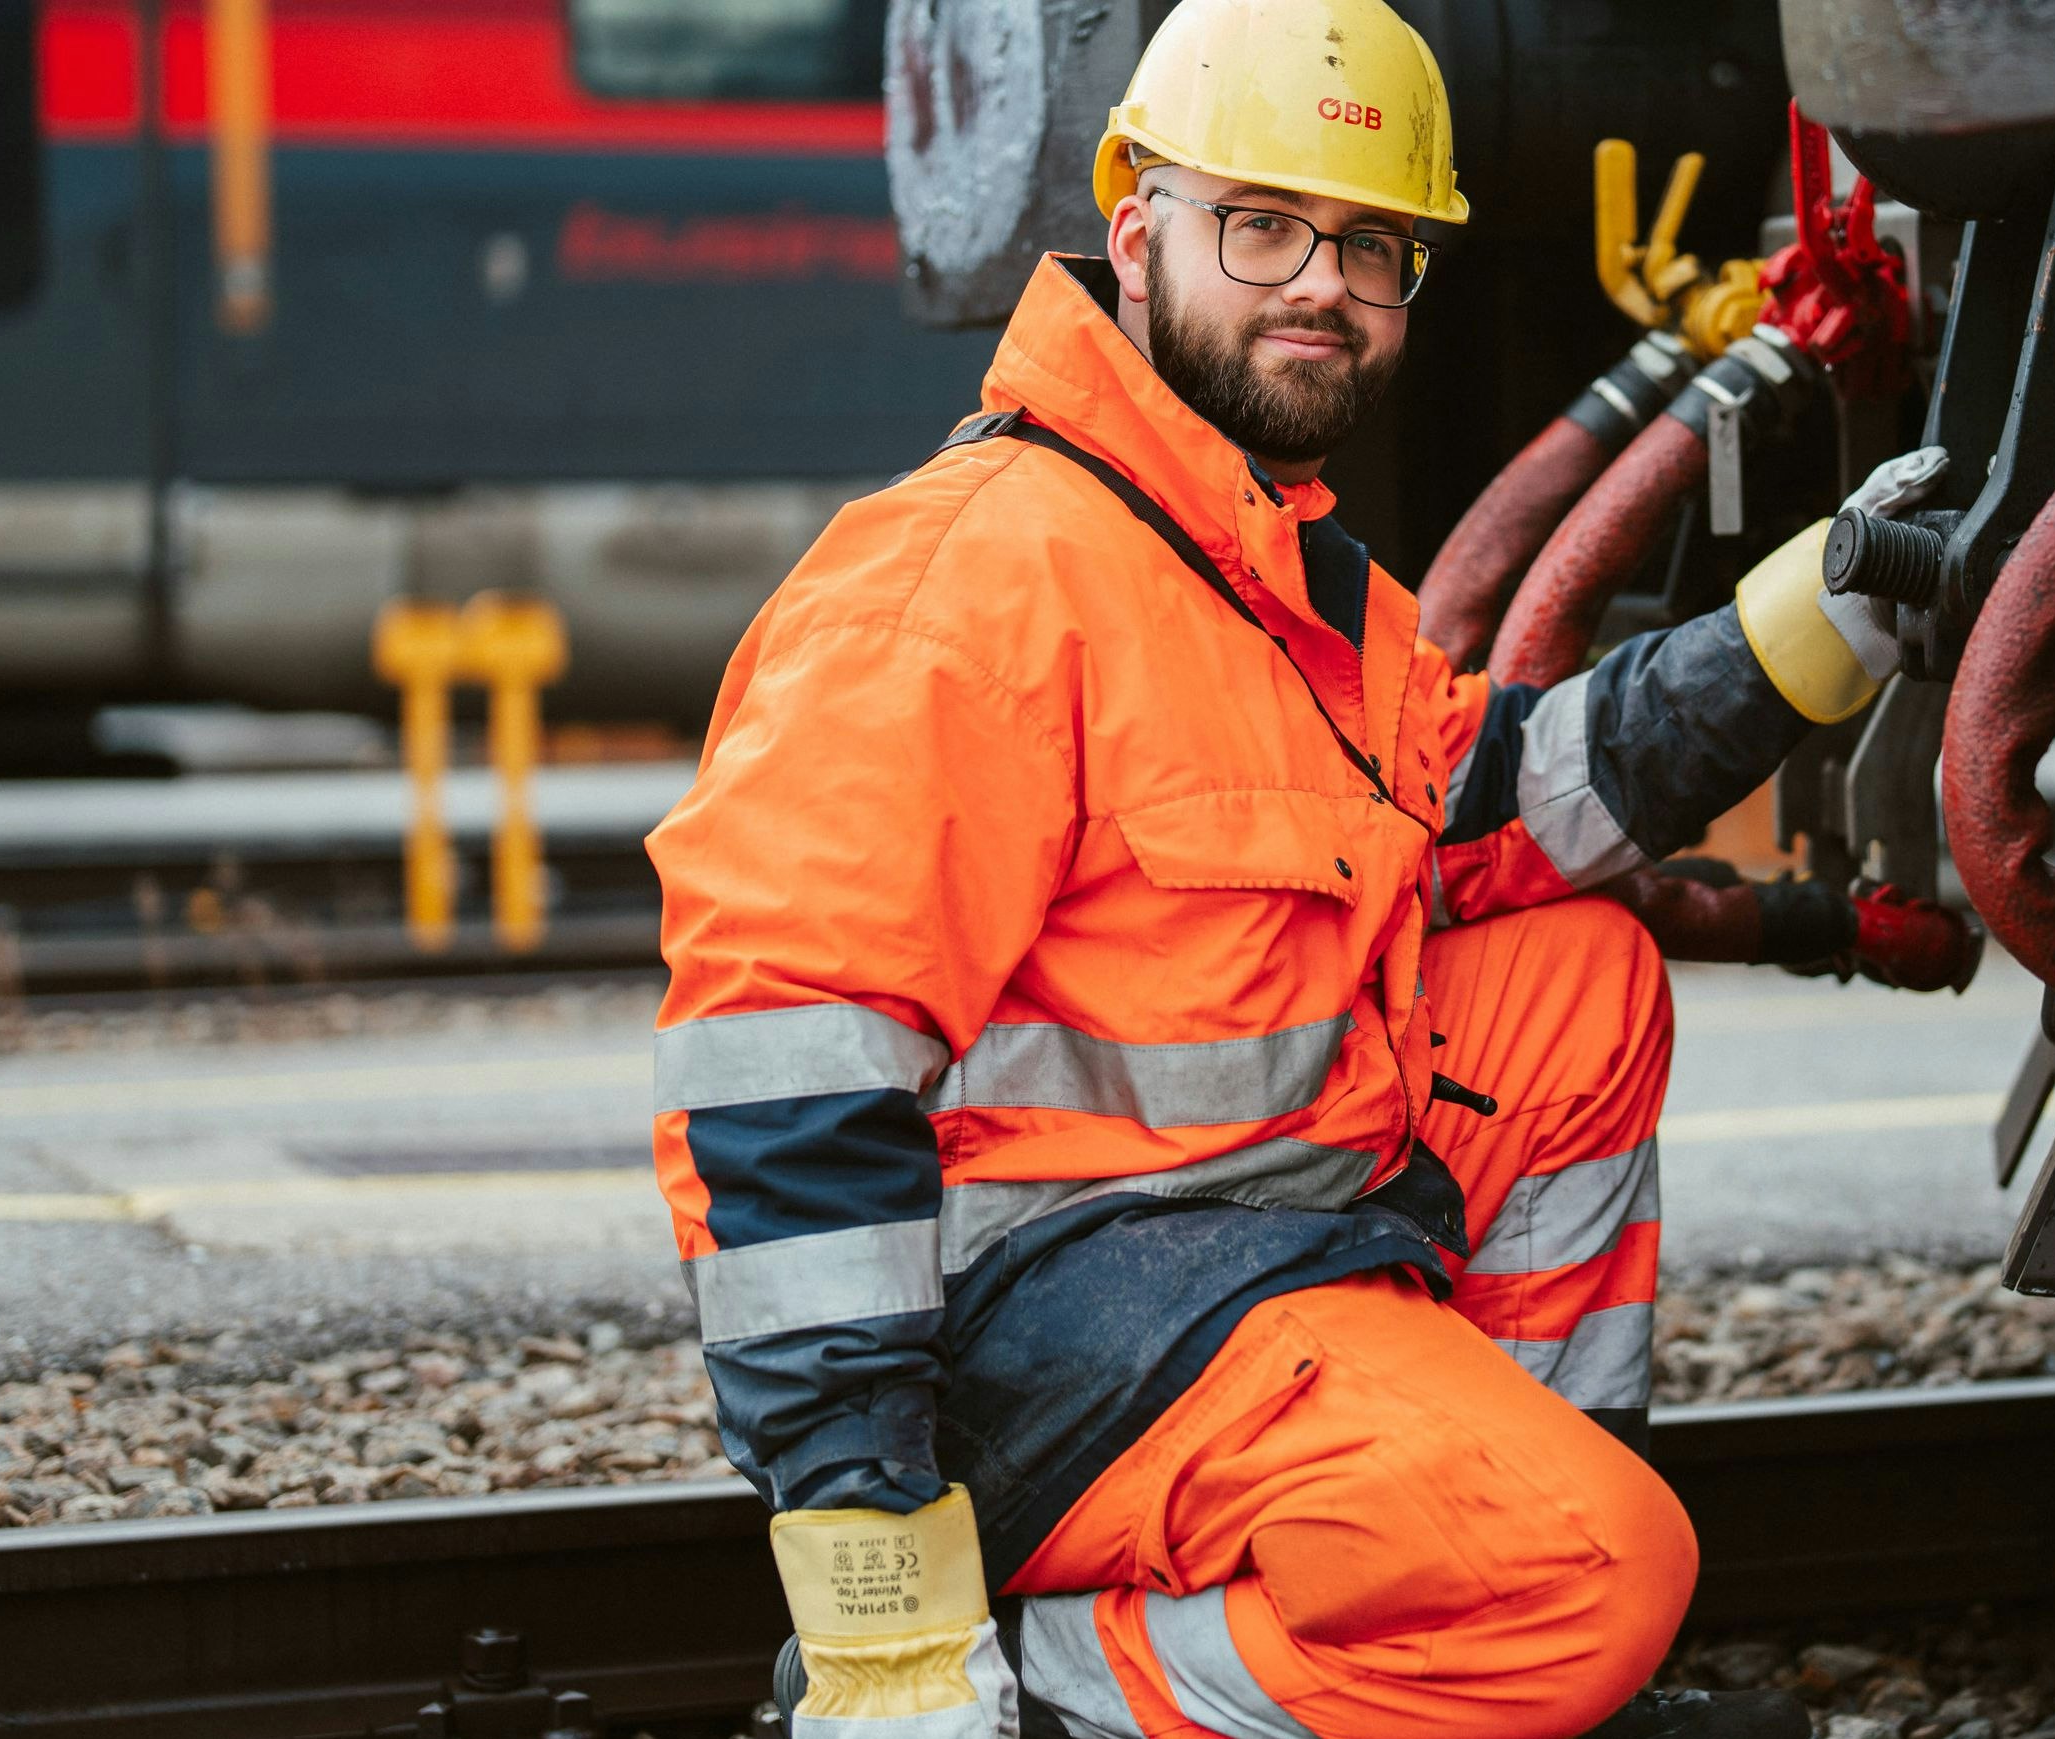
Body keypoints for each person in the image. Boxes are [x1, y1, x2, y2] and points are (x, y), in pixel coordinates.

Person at [644, 0, 1907, 1730]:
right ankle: (1084, 1682)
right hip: (1028, 1345)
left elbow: (1502, 801)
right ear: (1135, 219)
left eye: (1375, 245)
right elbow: (781, 1084)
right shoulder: (966, 581)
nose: (1322, 280)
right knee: (1596, 1576)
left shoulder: (1269, 580)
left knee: (1569, 974)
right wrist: (884, 1614)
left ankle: (1461, 1593)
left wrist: (1827, 613)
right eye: (1265, 224)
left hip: (1236, 1263)